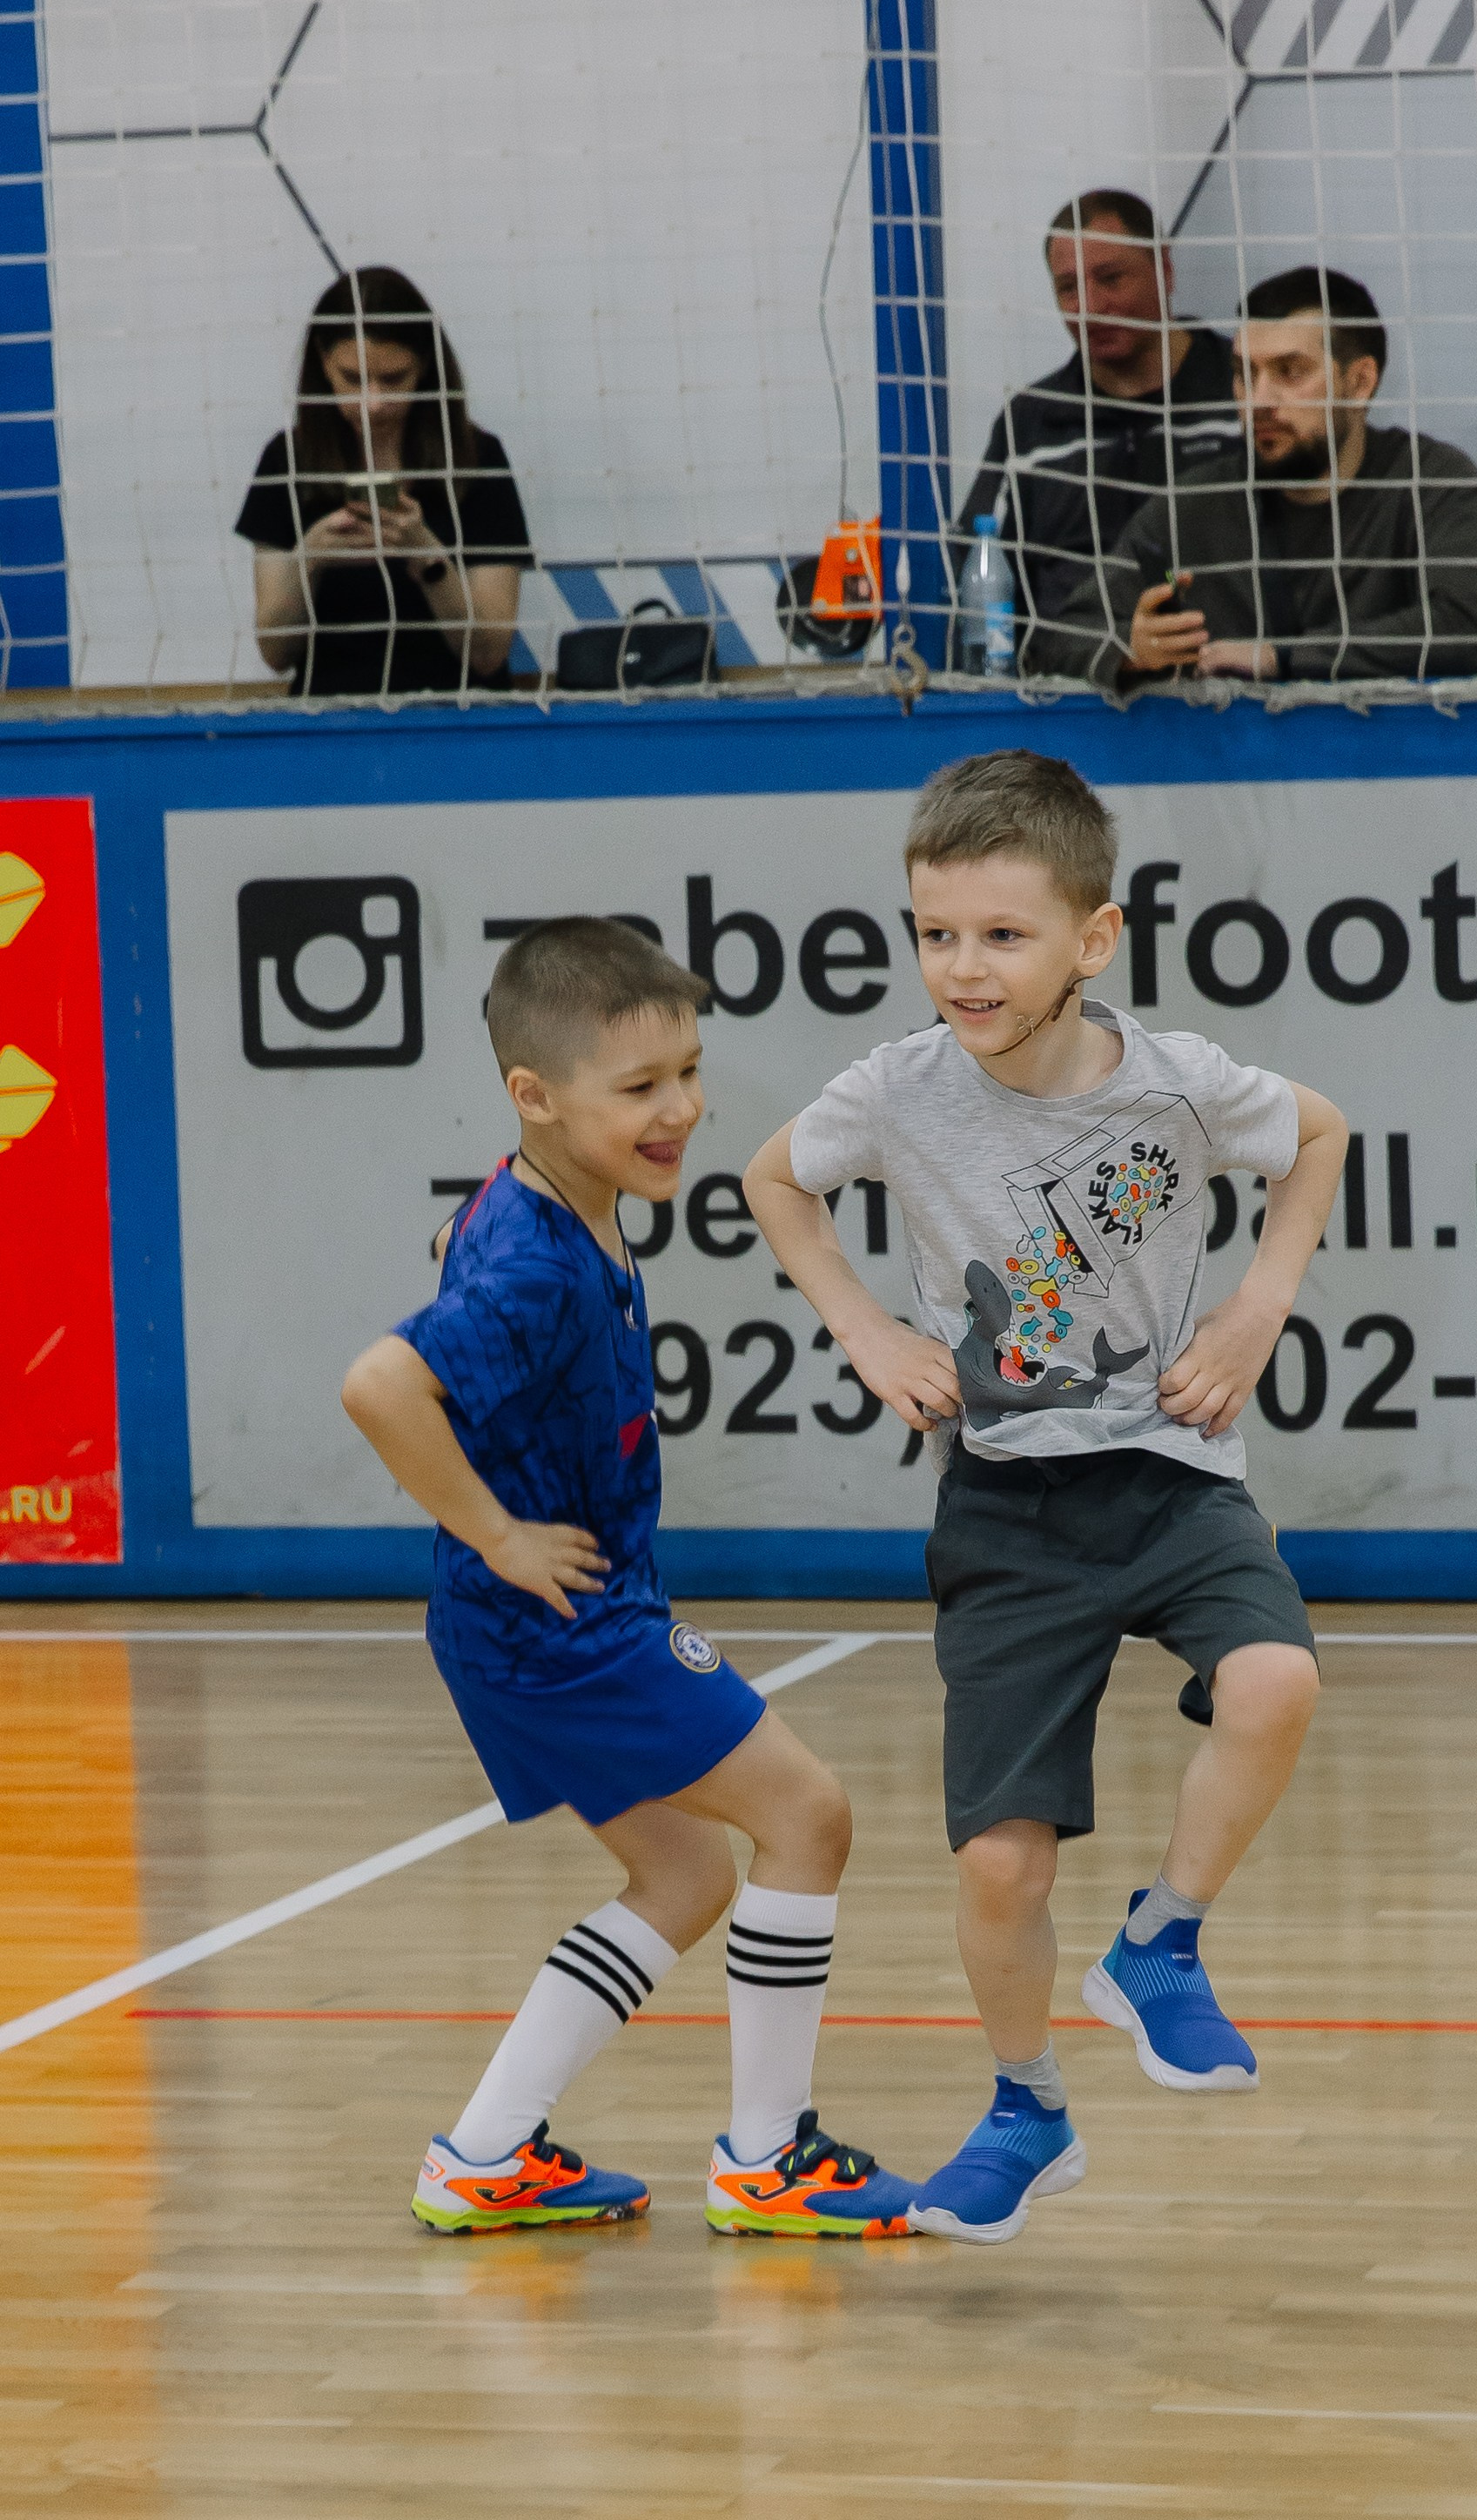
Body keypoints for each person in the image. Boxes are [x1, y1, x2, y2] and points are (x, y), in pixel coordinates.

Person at [745, 751, 1345, 2245]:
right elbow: (773, 1182)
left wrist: (1261, 1304)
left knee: (1272, 1682)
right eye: (934, 932)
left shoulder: (1176, 1084)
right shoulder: (894, 1088)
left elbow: (1316, 1134)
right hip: (1008, 1513)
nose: (961, 966)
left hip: (1169, 1476)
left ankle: (1161, 1946)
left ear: (1092, 939)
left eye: (1001, 935)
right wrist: (864, 1327)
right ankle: (1026, 2108)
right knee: (996, 1868)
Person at [340, 917, 914, 2240]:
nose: (681, 1110)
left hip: (536, 1626)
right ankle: (766, 2157)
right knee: (809, 1815)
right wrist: (497, 1532)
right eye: (640, 1087)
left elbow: (454, 1253)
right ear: (532, 1096)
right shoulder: (541, 1259)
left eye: (689, 1072)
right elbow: (380, 1383)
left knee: (686, 1879)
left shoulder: (539, 1200)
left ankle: (484, 2153)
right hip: (558, 1624)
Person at [1025, 266, 1477, 689]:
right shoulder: (1196, 505)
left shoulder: (1434, 484)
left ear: (1360, 381)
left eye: (1290, 372)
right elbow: (1063, 636)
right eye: (1244, 374)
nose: (1258, 401)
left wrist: (1281, 659)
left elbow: (1474, 625)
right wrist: (1132, 653)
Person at [951, 190, 1238, 654]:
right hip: (1069, 697)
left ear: (1164, 270)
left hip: (1228, 689)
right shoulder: (1031, 423)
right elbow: (973, 578)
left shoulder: (1245, 395)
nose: (1089, 305)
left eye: (1111, 278)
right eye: (1069, 288)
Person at [237, 266, 533, 696]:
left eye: (394, 379)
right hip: (332, 721)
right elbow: (276, 653)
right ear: (322, 362)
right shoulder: (287, 460)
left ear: (426, 367)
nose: (373, 403)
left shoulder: (476, 458)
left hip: (460, 719)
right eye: (352, 379)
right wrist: (311, 559)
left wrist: (427, 557)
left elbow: (488, 653)